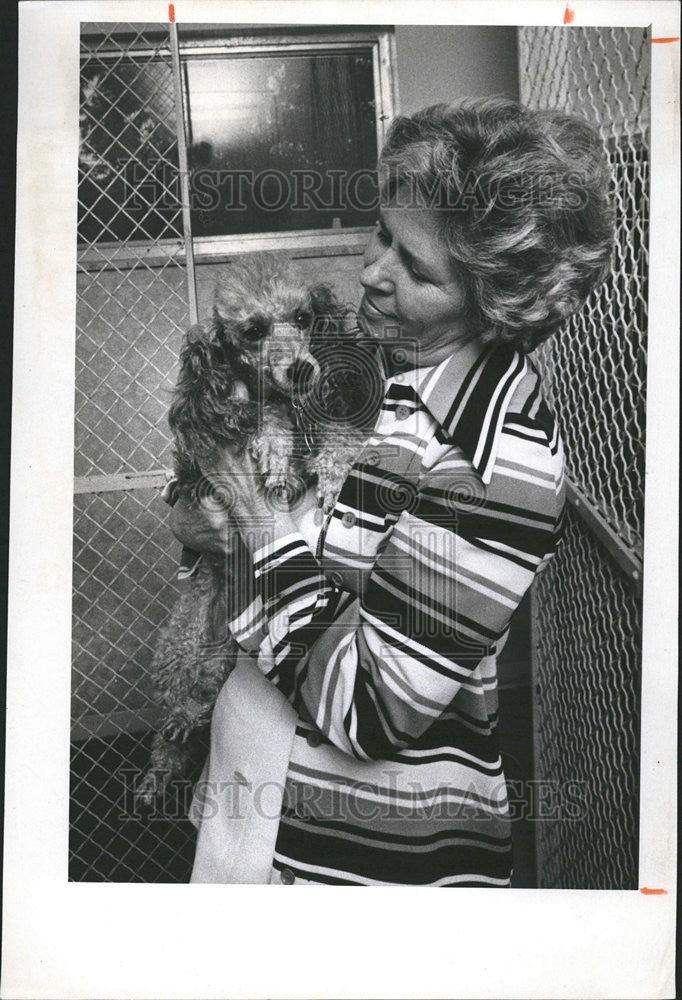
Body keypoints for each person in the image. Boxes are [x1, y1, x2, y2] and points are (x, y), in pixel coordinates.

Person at [170, 97, 614, 886]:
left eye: (415, 268)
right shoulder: (405, 388)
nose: (371, 273)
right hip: (262, 810)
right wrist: (213, 522)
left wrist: (248, 518)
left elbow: (369, 710)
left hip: (357, 861)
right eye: (382, 233)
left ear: (493, 299)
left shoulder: (498, 458)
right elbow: (312, 562)